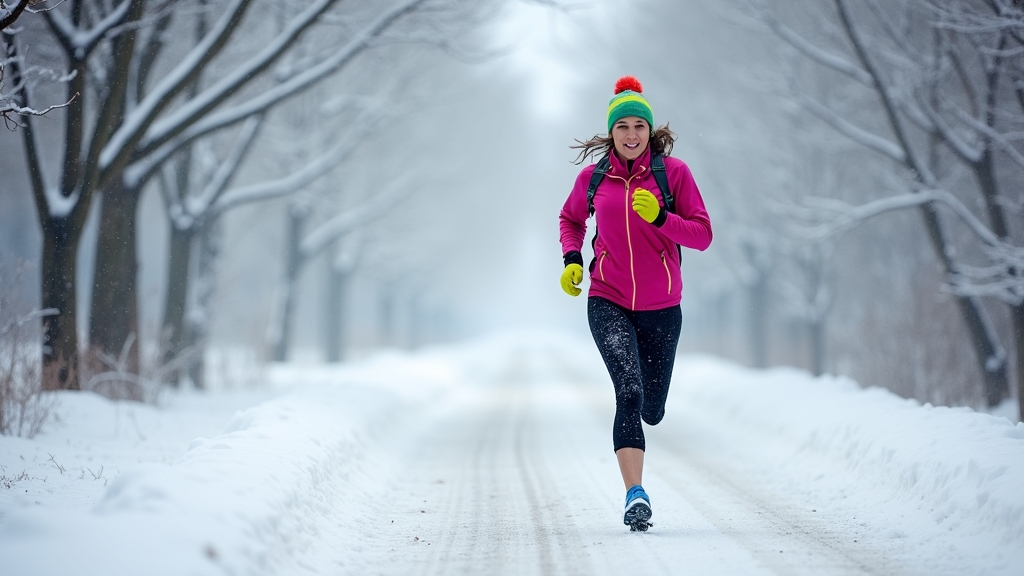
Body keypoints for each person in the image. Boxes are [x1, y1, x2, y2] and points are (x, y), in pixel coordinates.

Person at [558, 76, 712, 532]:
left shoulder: (673, 174)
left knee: (652, 407)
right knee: (628, 391)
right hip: (608, 299)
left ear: (649, 131)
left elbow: (702, 235)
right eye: (621, 125)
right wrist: (572, 259)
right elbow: (570, 218)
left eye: (638, 126)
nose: (630, 134)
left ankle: (648, 415)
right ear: (611, 132)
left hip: (663, 307)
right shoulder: (594, 178)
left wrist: (662, 217)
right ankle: (635, 495)